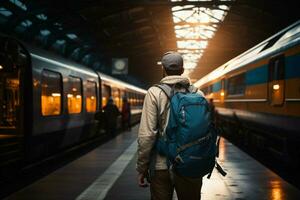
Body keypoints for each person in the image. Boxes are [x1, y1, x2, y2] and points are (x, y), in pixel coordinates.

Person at [136, 52, 203, 200]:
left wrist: (142, 167)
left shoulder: (154, 93)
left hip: (161, 166)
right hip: (190, 163)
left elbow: (147, 135)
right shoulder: (198, 94)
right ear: (183, 70)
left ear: (163, 70)